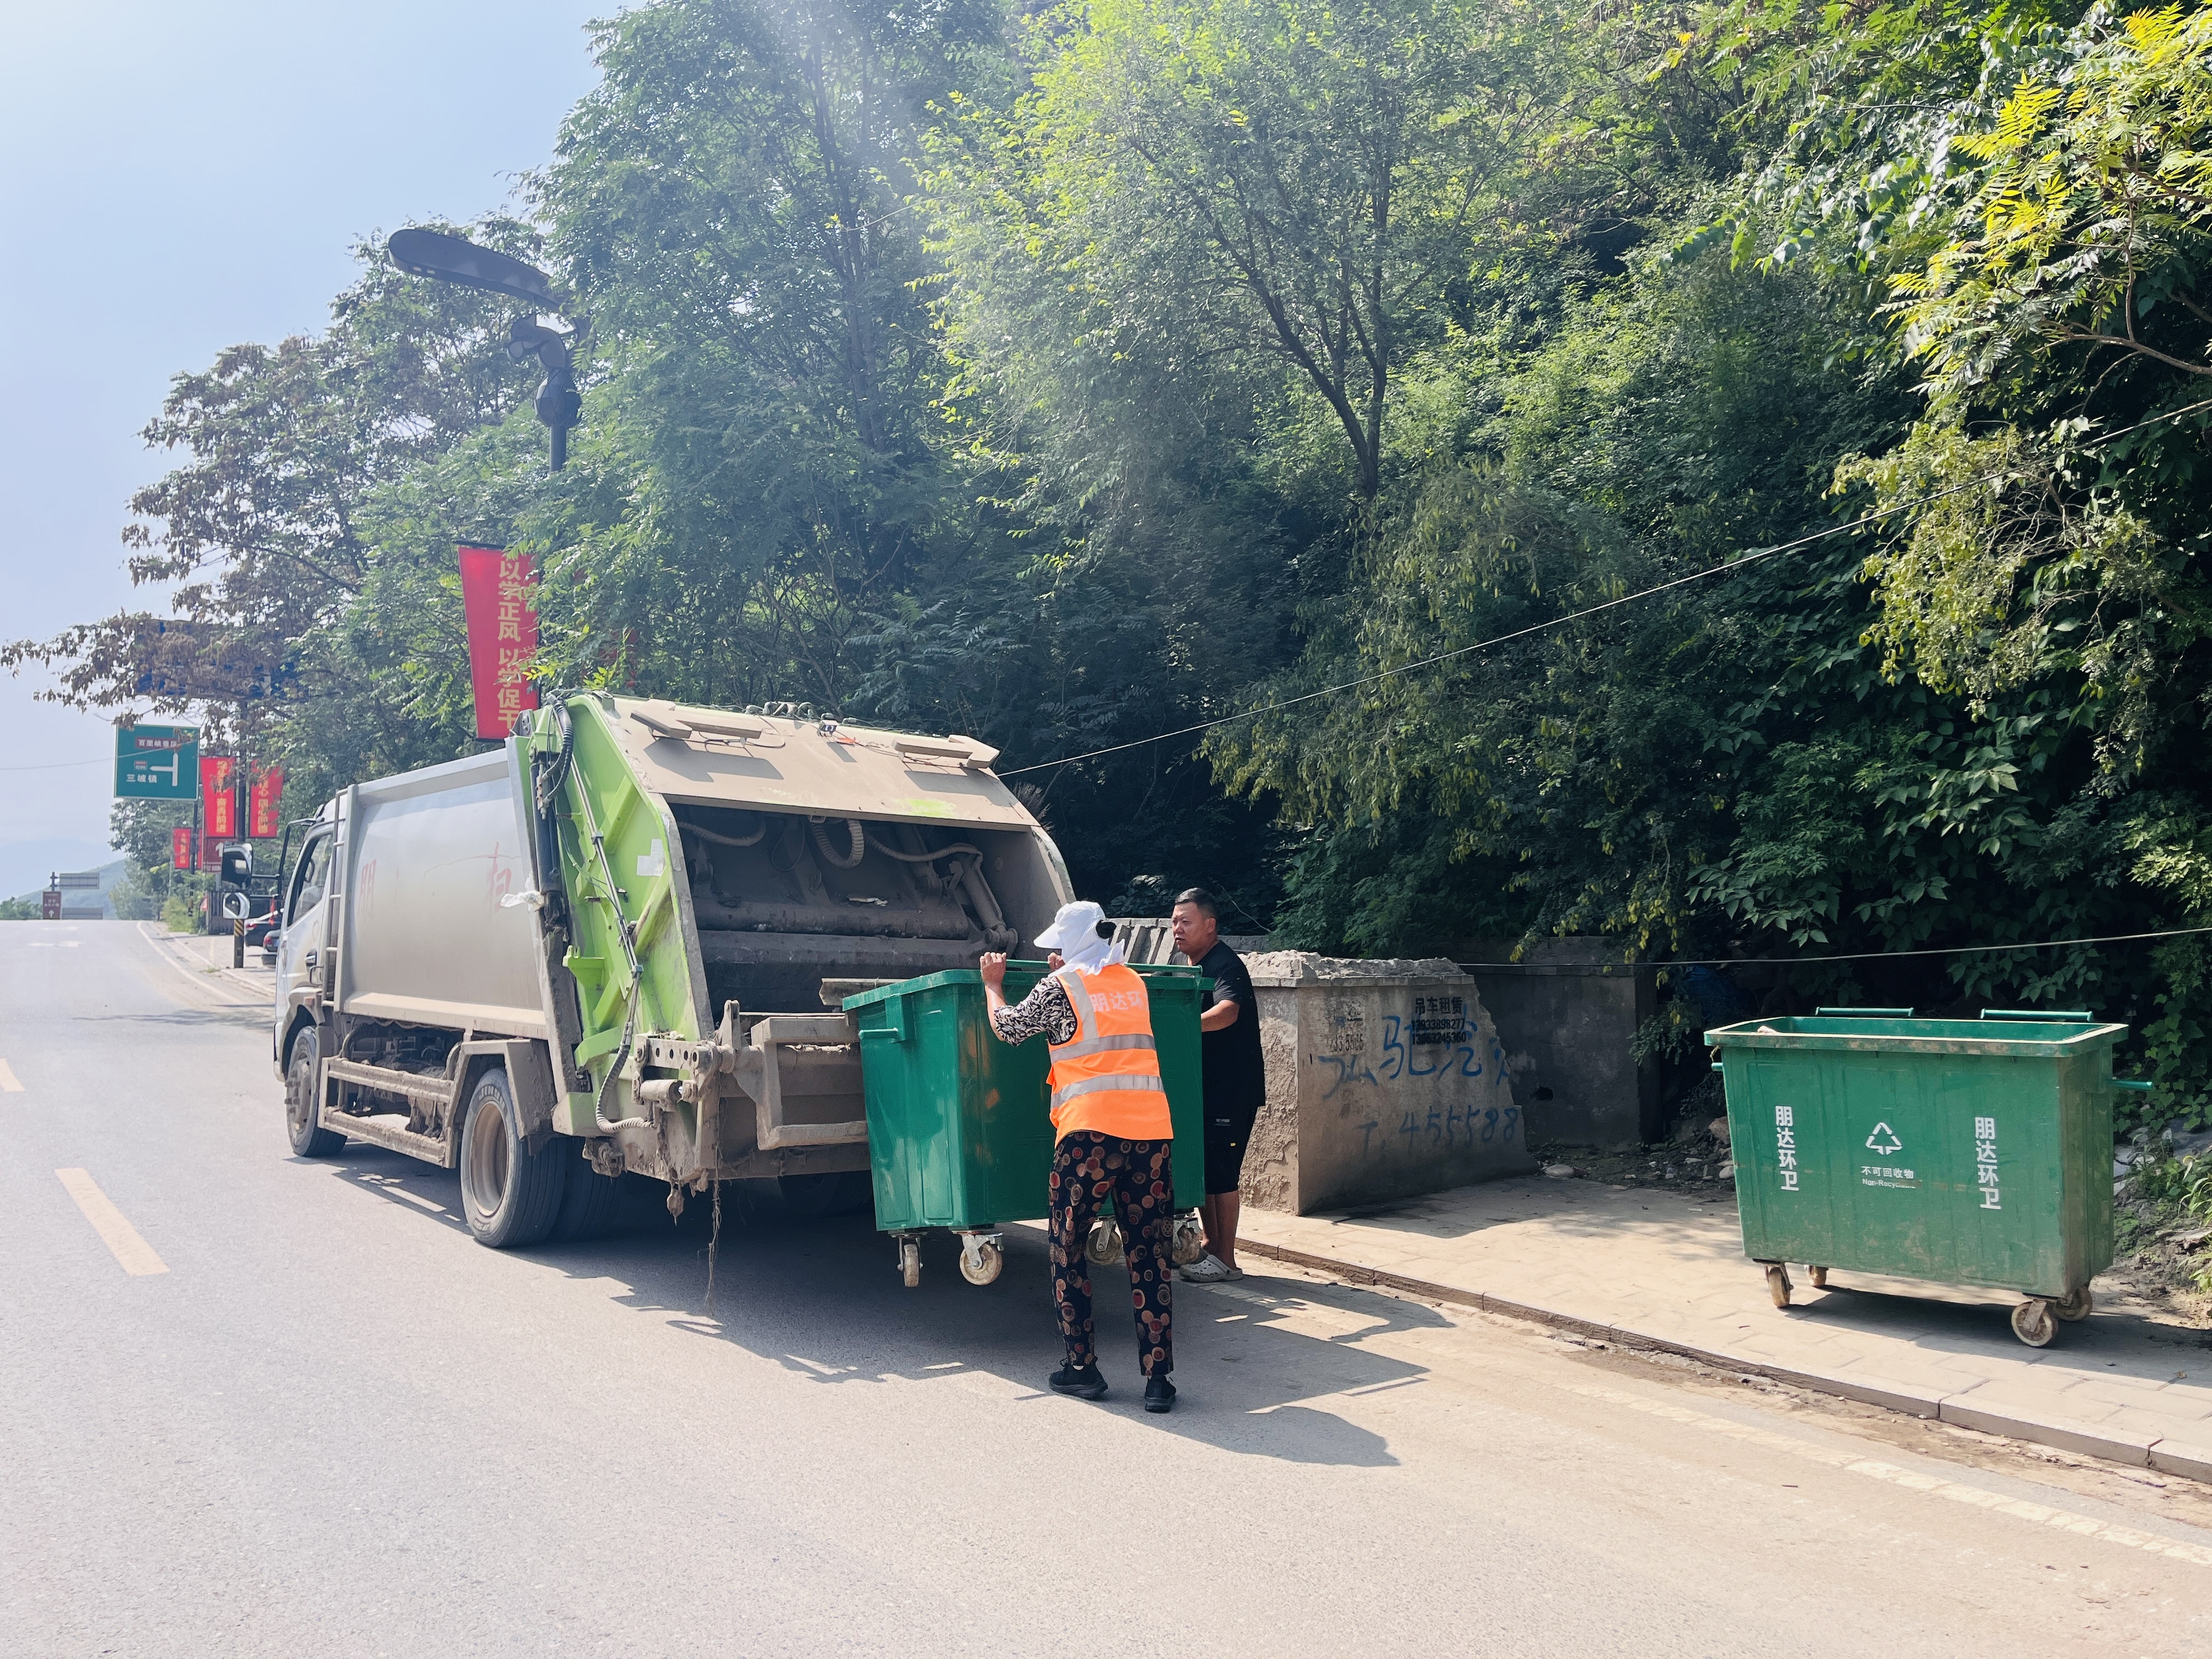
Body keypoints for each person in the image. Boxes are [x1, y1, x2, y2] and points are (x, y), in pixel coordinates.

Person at [980, 900, 1178, 1414]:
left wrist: (992, 984)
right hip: (1152, 1132)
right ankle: (1159, 1381)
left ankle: (1082, 1368)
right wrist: (1064, 973)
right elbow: (1100, 1004)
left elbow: (1009, 1028)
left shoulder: (1058, 987)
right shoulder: (1134, 982)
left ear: (1070, 944)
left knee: (1067, 1246)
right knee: (1149, 1254)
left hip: (1089, 1135)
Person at [1170, 888, 1265, 1283]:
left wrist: (1183, 1027)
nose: (1177, 929)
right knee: (1207, 1170)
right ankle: (1212, 1246)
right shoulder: (1196, 965)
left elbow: (1228, 1012)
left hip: (1231, 1089)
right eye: (1174, 921)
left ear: (1210, 926)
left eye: (1186, 921)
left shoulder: (1225, 964)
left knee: (1222, 1173)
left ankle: (1226, 1258)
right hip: (1206, 1090)